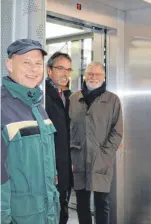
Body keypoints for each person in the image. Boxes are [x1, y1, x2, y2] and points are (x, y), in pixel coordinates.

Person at [1, 39, 60, 223]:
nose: (33, 69)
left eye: (38, 64)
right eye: (26, 62)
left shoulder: (37, 106)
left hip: (47, 212)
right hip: (19, 217)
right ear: (9, 65)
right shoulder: (3, 107)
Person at [69, 62, 123, 224]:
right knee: (82, 203)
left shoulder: (112, 100)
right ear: (85, 75)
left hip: (102, 159)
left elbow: (117, 131)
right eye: (90, 73)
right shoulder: (74, 98)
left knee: (102, 202)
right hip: (78, 157)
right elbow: (68, 127)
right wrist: (71, 153)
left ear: (104, 76)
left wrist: (105, 154)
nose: (93, 77)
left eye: (97, 74)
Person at [45, 52, 73, 224]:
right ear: (49, 71)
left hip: (66, 165)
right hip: (51, 166)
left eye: (69, 69)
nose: (65, 74)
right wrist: (51, 168)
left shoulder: (69, 97)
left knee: (63, 207)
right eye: (60, 68)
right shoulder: (43, 98)